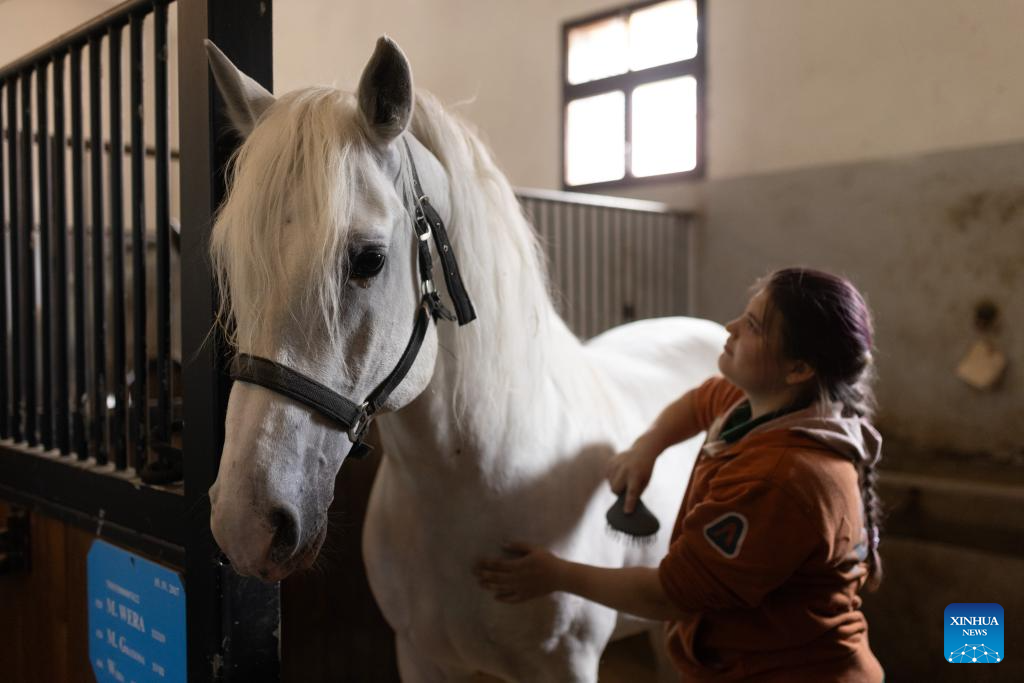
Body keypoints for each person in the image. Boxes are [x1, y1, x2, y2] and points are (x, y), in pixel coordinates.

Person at [474, 267, 885, 682]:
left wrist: (556, 574)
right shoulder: (761, 405)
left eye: (754, 326)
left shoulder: (778, 479)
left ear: (798, 369)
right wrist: (646, 448)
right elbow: (699, 401)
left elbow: (668, 597)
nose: (731, 327)